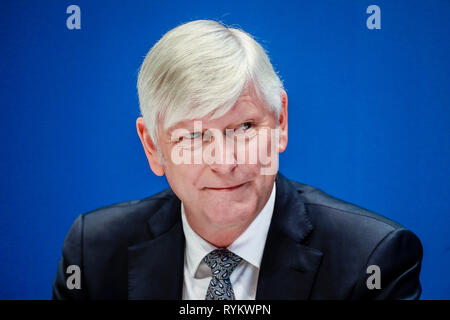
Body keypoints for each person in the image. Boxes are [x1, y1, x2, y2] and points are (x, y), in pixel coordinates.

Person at [52, 20, 422, 300]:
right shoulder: (94, 253)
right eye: (194, 136)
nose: (225, 162)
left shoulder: (372, 258)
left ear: (280, 123)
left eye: (244, 127)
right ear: (153, 147)